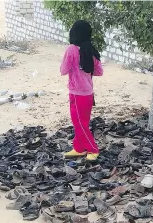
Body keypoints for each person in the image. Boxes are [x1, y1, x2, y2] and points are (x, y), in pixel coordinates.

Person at [61, 20, 103, 161]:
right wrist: (84, 71)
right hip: (87, 93)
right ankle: (79, 148)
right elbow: (99, 71)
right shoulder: (90, 49)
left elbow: (63, 70)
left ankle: (92, 149)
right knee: (80, 122)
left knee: (80, 124)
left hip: (77, 93)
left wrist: (74, 66)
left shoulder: (72, 49)